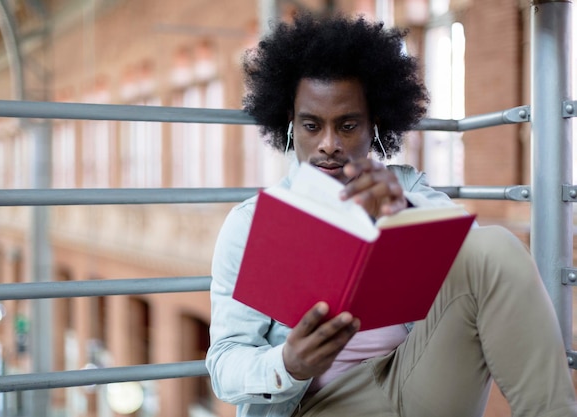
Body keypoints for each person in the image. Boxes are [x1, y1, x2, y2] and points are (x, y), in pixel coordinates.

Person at [205, 12, 577, 417]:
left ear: (374, 127)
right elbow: (224, 363)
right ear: (290, 126)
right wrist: (288, 364)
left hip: (415, 378)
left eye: (347, 126)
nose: (329, 144)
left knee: (496, 245)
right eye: (312, 125)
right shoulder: (251, 224)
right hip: (317, 404)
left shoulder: (407, 188)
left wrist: (401, 213)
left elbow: (472, 260)